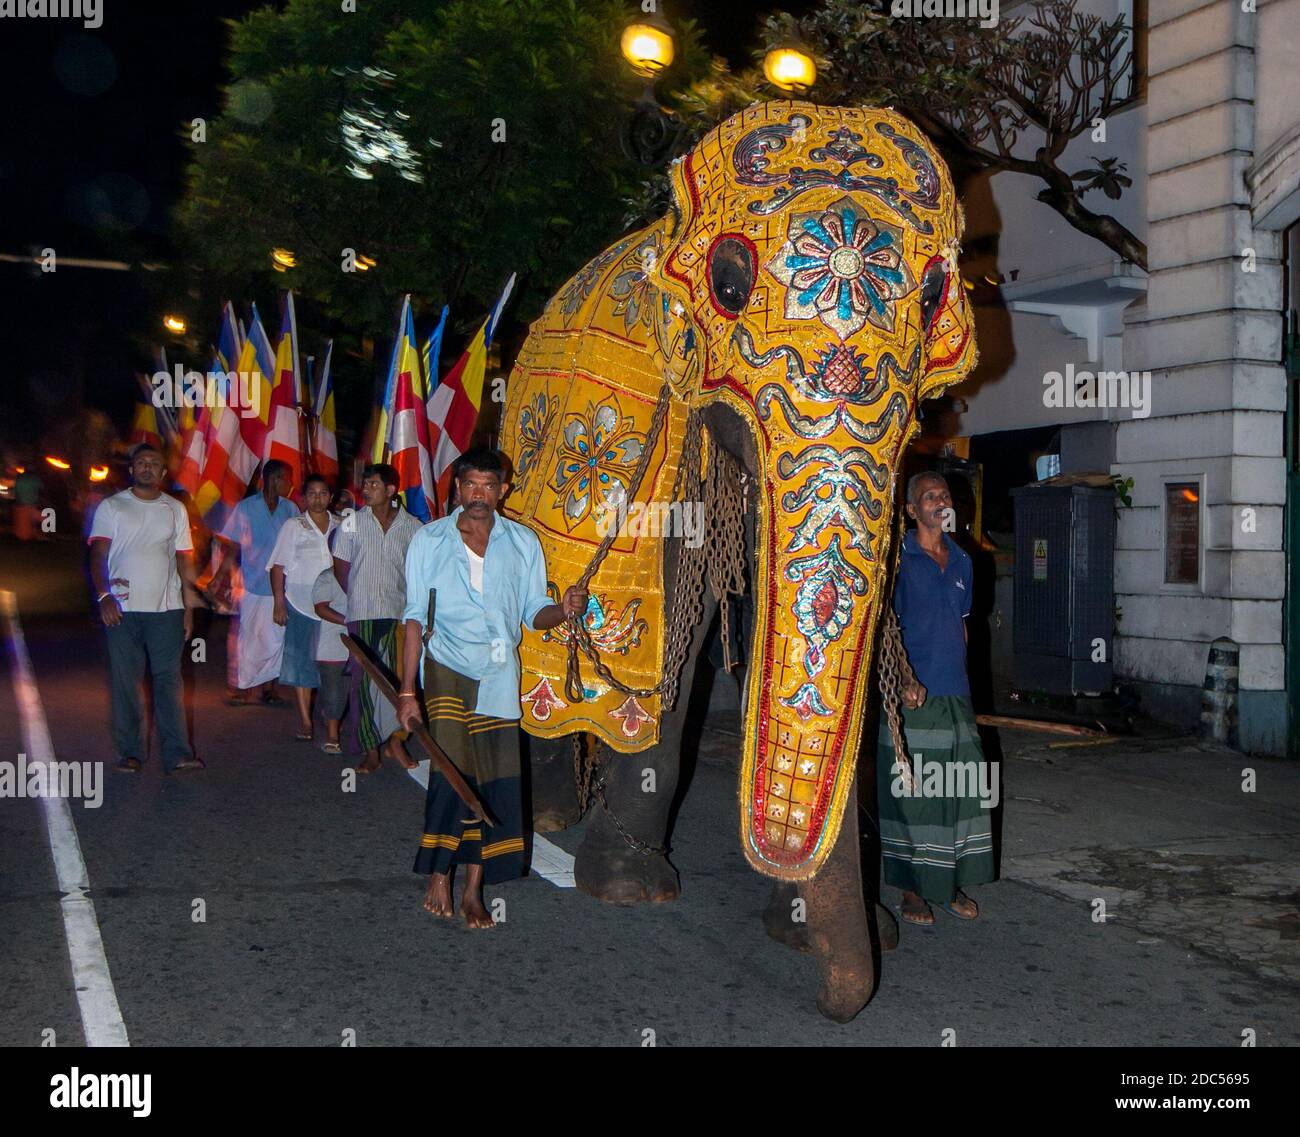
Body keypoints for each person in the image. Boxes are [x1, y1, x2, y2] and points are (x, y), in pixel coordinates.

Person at [397, 447, 587, 929]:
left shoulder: (523, 543)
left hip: (500, 673)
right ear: (457, 488)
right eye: (470, 485)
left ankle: (474, 887)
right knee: (451, 772)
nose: (479, 495)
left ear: (503, 490)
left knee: (492, 782)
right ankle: (439, 872)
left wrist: (563, 610)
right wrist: (405, 691)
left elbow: (533, 613)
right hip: (446, 667)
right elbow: (414, 618)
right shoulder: (429, 540)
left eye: (489, 485)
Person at [877, 471, 996, 926]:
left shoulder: (964, 560)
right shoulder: (897, 560)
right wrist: (901, 679)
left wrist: (964, 679)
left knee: (960, 789)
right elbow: (883, 628)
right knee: (916, 794)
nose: (940, 501)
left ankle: (947, 885)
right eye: (930, 496)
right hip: (910, 694)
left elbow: (961, 625)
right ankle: (912, 891)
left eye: (944, 495)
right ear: (911, 510)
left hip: (955, 692)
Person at [88, 444, 204, 774]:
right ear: (131, 469)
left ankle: (178, 752)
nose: (147, 468)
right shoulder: (112, 507)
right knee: (127, 681)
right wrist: (103, 595)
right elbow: (98, 555)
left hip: (167, 609)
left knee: (169, 681)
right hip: (122, 610)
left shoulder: (175, 509)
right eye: (141, 463)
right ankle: (130, 751)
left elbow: (184, 558)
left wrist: (189, 605)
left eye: (154, 464)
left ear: (164, 473)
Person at [332, 462, 422, 773]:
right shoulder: (351, 523)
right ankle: (371, 749)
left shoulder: (413, 527)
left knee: (399, 682)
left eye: (373, 484)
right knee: (363, 683)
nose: (366, 489)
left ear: (391, 490)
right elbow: (340, 565)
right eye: (365, 484)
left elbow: (418, 572)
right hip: (362, 614)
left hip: (399, 613)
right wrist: (357, 595)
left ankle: (396, 739)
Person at [212, 460, 299, 705]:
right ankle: (245, 687)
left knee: (275, 637)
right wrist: (219, 577)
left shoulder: (290, 510)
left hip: (280, 586)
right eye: (287, 479)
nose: (290, 484)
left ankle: (269, 688)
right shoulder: (246, 508)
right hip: (252, 583)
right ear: (274, 479)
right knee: (249, 637)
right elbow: (232, 545)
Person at [267, 474, 337, 740]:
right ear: (304, 497)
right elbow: (277, 566)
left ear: (330, 496)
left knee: (330, 663)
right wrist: (278, 601)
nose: (317, 499)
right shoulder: (293, 526)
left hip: (332, 605)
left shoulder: (341, 525)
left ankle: (329, 711)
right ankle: (306, 720)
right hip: (300, 602)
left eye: (322, 493)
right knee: (301, 661)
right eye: (312, 493)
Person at [312, 566, 350, 755]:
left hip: (355, 640)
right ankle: (332, 736)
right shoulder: (327, 577)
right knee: (335, 693)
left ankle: (331, 716)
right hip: (331, 643)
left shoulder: (362, 574)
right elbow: (320, 608)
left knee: (347, 691)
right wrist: (348, 621)